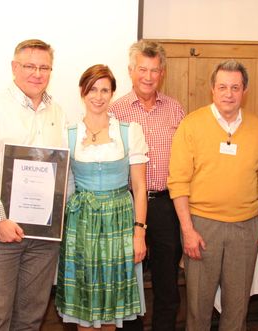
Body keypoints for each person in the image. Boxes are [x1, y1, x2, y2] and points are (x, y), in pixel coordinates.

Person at [0, 39, 67, 330]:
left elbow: (60, 169)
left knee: (32, 315)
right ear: (14, 68)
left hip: (44, 236)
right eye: (29, 66)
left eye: (44, 67)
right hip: (2, 231)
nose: (37, 73)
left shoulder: (57, 112)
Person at [168, 60, 258, 331]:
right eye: (222, 86)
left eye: (235, 87)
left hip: (245, 228)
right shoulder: (192, 124)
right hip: (202, 227)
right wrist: (187, 230)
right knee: (199, 310)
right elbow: (178, 182)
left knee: (238, 310)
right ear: (212, 89)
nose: (228, 93)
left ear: (244, 90)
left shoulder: (257, 127)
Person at [55, 64, 149, 330]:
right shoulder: (69, 134)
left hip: (119, 222)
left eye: (105, 90)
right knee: (86, 303)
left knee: (111, 304)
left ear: (112, 93)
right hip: (81, 225)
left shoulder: (129, 131)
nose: (98, 96)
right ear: (82, 93)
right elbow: (64, 186)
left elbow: (140, 187)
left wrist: (139, 233)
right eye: (93, 89)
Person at [109, 40, 185, 331]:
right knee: (130, 280)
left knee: (168, 282)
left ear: (162, 72)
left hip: (167, 205)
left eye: (155, 70)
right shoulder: (116, 112)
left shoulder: (176, 110)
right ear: (130, 71)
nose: (149, 77)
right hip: (128, 204)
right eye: (143, 69)